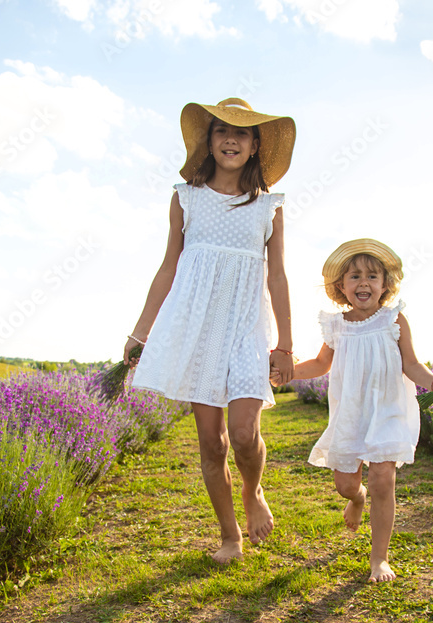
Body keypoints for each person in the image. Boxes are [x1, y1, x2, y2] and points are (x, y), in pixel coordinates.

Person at [124, 98, 296, 564]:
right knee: (212, 443)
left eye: (242, 133)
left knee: (243, 434)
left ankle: (253, 489)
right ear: (209, 140)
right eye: (222, 131)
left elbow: (277, 276)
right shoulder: (187, 198)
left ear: (256, 145)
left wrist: (285, 344)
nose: (231, 140)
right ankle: (230, 537)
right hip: (199, 328)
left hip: (245, 327)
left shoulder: (270, 208)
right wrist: (141, 333)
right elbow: (167, 268)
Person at [271, 239, 433, 582]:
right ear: (341, 286)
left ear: (385, 285)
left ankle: (379, 559)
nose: (364, 283)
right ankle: (356, 499)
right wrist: (287, 372)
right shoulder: (337, 325)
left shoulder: (394, 319)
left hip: (388, 411)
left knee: (383, 478)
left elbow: (412, 364)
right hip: (351, 415)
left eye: (373, 276)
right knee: (346, 484)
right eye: (355, 276)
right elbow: (319, 364)